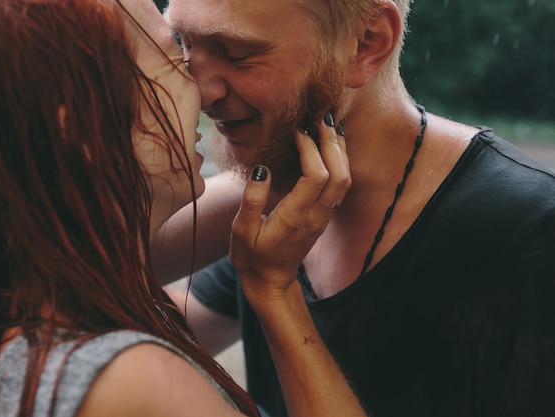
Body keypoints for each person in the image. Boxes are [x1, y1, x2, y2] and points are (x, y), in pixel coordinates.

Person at [0, 0, 364, 416]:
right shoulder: (129, 383)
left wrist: (283, 168)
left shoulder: (12, 313)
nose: (204, 91)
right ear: (83, 124)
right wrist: (272, 288)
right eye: (177, 52)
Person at [156, 0, 555, 416]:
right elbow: (125, 305)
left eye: (237, 52)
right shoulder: (285, 195)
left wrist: (273, 290)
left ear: (367, 44)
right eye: (183, 43)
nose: (199, 91)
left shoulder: (532, 236)